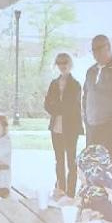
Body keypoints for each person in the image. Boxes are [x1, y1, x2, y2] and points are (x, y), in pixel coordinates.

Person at [43, 53, 83, 197]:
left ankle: (71, 193)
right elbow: (47, 104)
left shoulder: (76, 84)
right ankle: (61, 189)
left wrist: (57, 107)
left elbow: (72, 106)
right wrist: (58, 107)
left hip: (71, 128)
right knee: (59, 160)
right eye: (59, 62)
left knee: (71, 161)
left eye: (65, 62)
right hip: (55, 128)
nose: (62, 65)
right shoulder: (53, 83)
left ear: (70, 63)